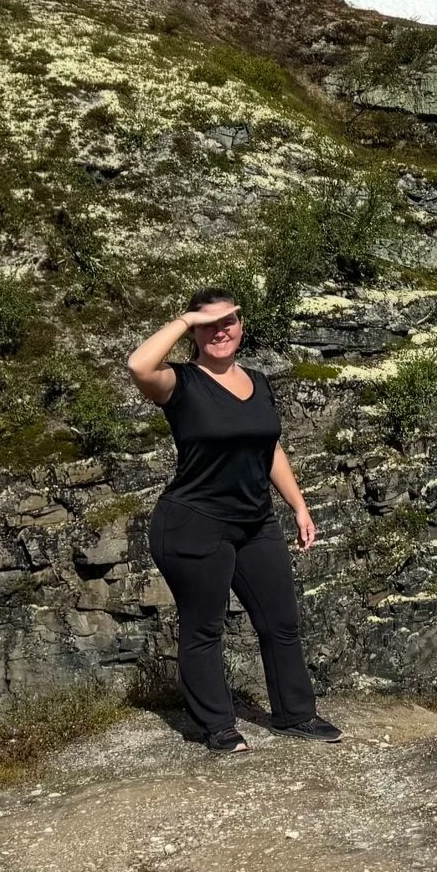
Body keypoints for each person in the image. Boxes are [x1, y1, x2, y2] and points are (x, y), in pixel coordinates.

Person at [126, 289, 342, 753]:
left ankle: (295, 714)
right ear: (195, 333)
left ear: (242, 326)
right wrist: (187, 318)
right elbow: (138, 366)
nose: (220, 331)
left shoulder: (259, 382)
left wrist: (299, 506)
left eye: (229, 321)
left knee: (281, 622)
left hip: (255, 522)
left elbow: (268, 449)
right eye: (209, 324)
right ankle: (218, 726)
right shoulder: (178, 382)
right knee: (205, 628)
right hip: (193, 523)